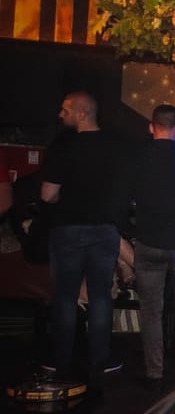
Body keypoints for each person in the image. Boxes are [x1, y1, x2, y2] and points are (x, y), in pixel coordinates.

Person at [40, 91, 130, 380]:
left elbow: (48, 194)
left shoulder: (63, 146)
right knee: (101, 296)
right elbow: (124, 192)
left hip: (67, 229)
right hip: (104, 229)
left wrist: (61, 200)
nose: (60, 115)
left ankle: (60, 360)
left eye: (65, 110)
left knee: (65, 297)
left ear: (82, 113)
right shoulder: (117, 147)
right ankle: (100, 359)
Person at [132, 104, 175, 392]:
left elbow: (127, 197)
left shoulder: (138, 156)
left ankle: (154, 370)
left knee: (150, 310)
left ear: (151, 126)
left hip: (148, 240)